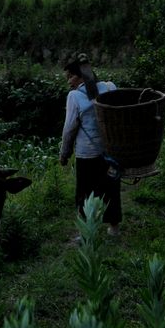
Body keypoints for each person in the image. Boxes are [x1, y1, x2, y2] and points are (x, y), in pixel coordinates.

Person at [59, 53, 121, 236]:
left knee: (85, 192)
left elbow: (69, 128)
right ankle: (114, 228)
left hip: (87, 154)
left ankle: (86, 231)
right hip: (110, 151)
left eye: (70, 77)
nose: (69, 82)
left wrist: (64, 153)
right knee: (111, 188)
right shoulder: (110, 87)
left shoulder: (74, 96)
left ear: (80, 76)